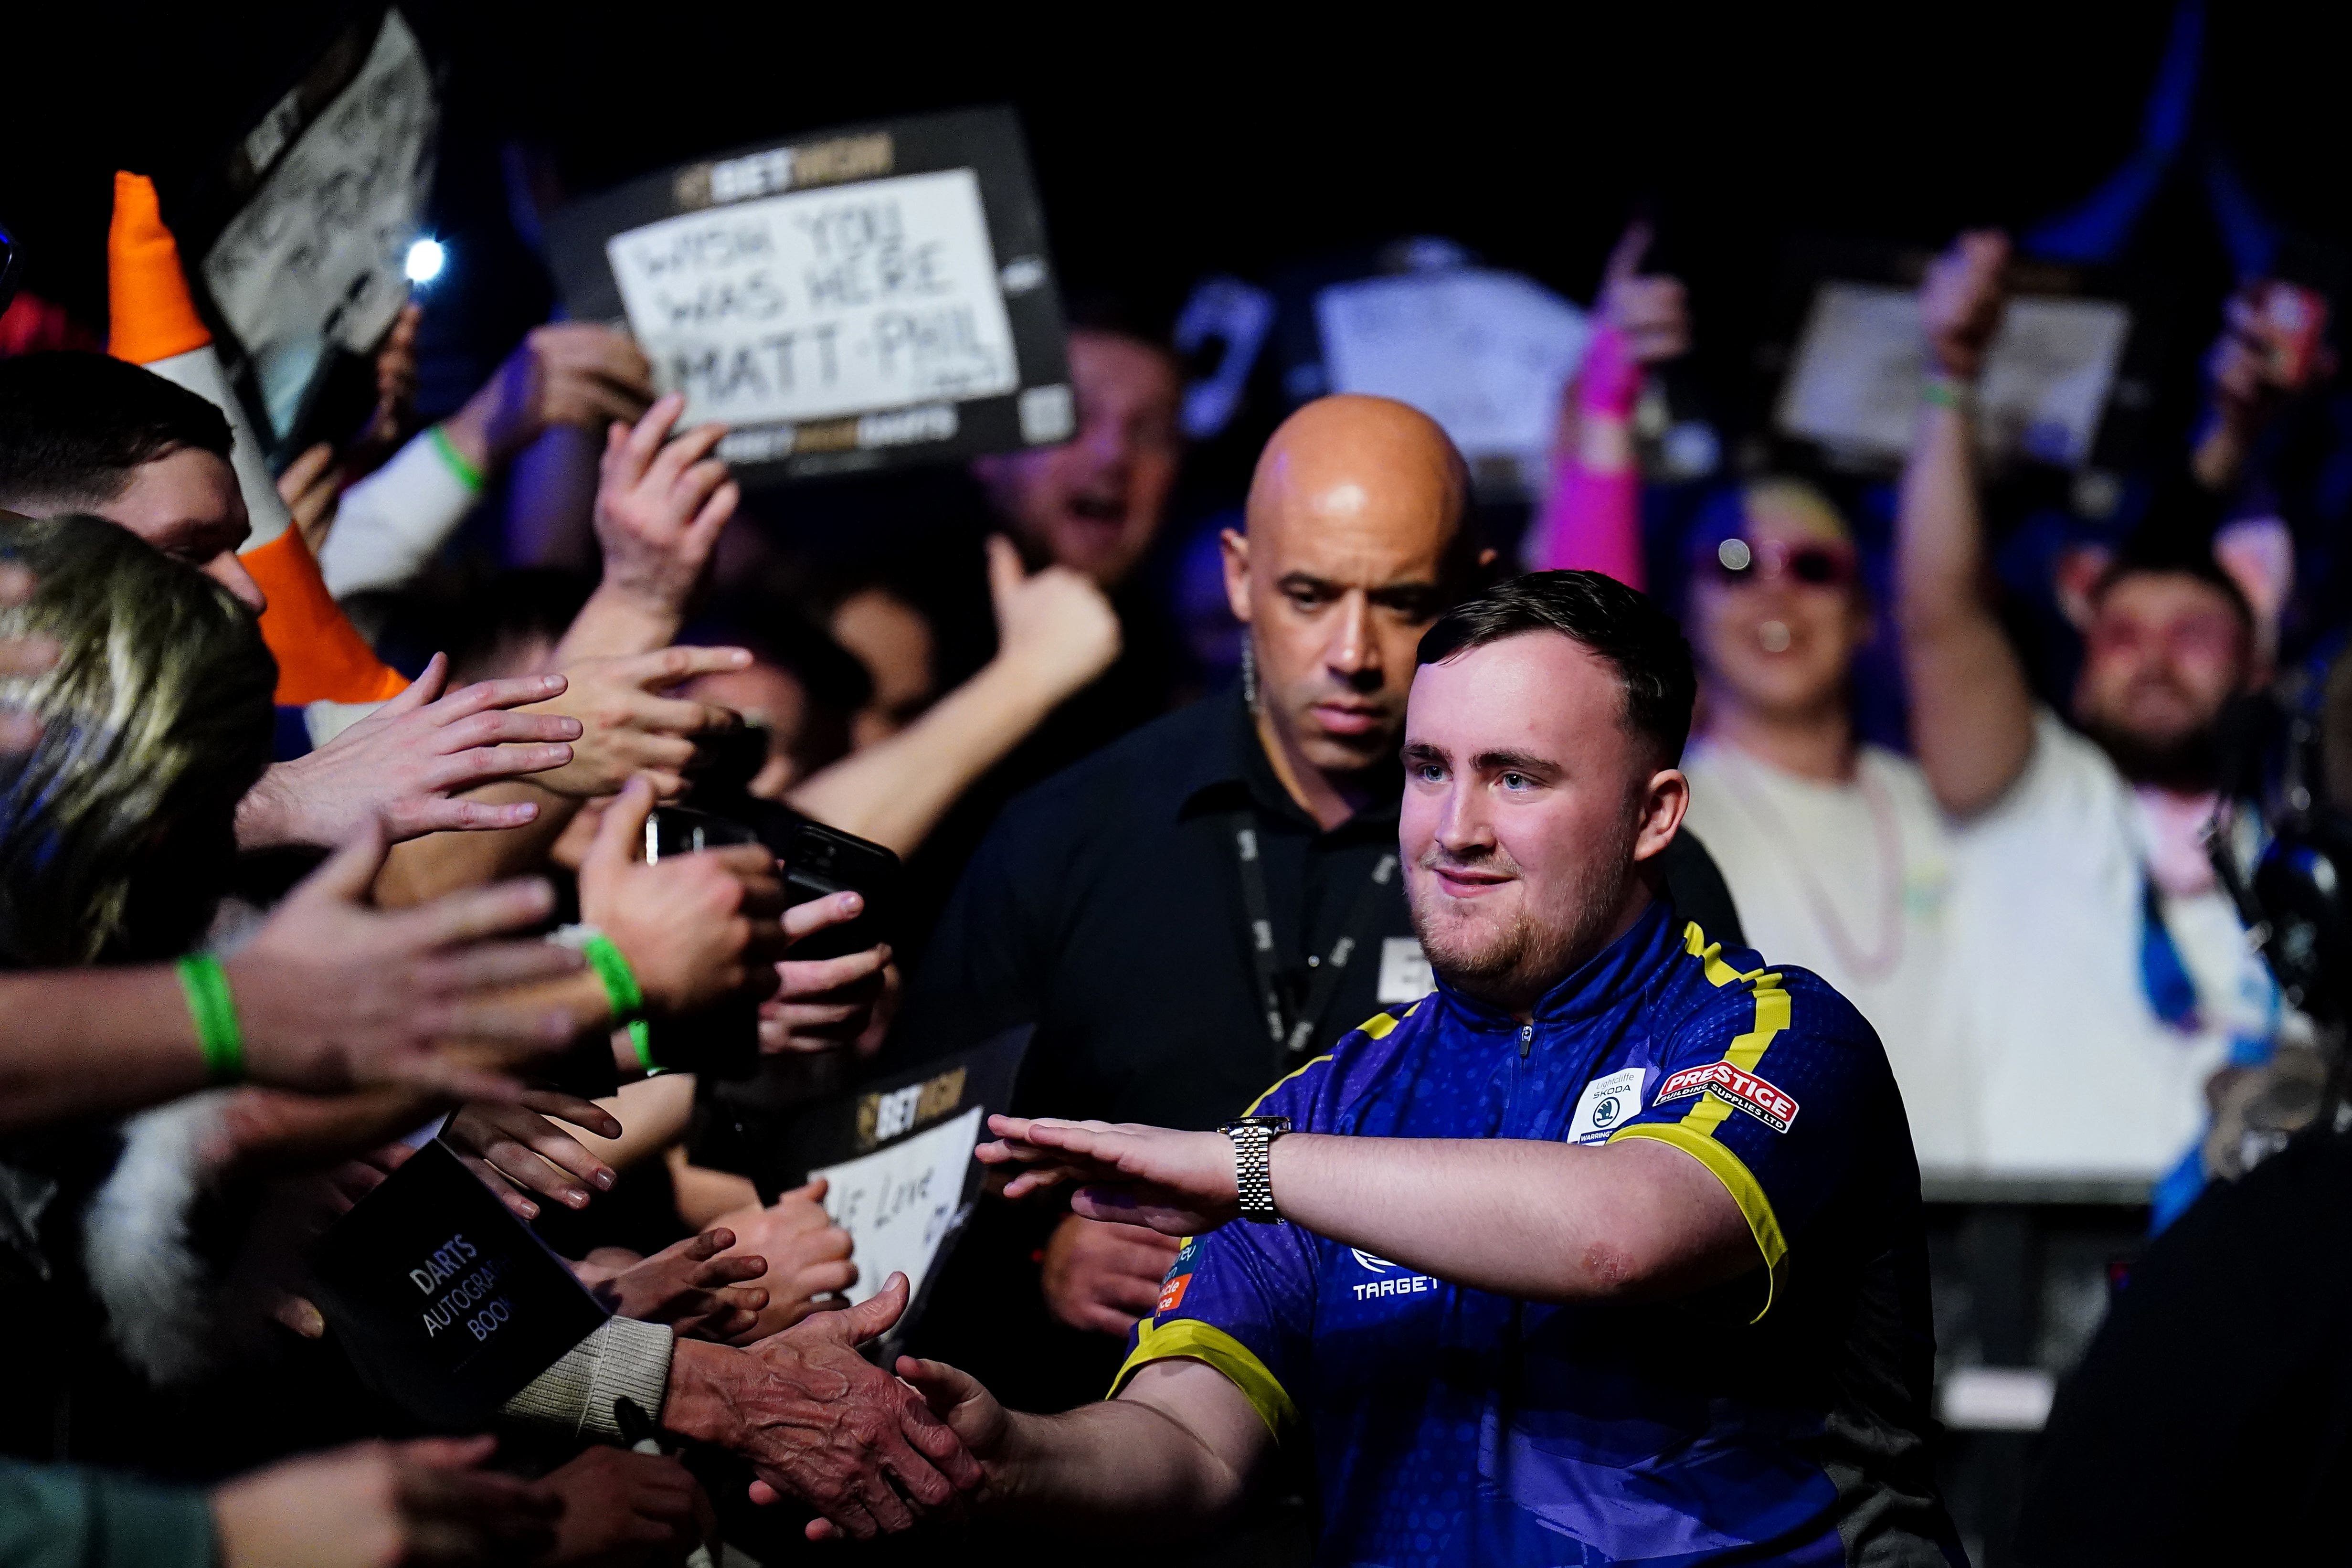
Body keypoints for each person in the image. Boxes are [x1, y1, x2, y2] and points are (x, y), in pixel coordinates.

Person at [894, 571, 1957, 1563]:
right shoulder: (1326, 1106)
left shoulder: (1778, 1033)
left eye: (1515, 777)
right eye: (1428, 770)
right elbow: (1191, 1443)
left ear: (1654, 814)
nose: (1455, 830)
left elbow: (1621, 1235)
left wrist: (1251, 1172)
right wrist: (1006, 1458)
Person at [896, 396, 1742, 1419]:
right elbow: (916, 1158)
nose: (1352, 650)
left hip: (1484, 1462)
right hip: (1137, 1463)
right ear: (1239, 576)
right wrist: (1039, 1258)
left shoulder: (1609, 860)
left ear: (1473, 588)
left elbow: (1684, 1211)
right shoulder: (1069, 834)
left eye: (1400, 600)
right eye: (1308, 593)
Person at [1528, 231, 1971, 1168]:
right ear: (1684, 611)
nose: (1773, 591)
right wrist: (1606, 408)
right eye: (1735, 563)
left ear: (1864, 615)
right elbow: (1579, 650)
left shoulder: (1944, 803)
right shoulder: (1668, 808)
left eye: (1811, 566)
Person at [1895, 230, 2281, 1184]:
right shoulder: (2029, 796)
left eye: (2192, 638)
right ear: (2076, 674)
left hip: (2251, 1296)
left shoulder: (2303, 853)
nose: (2152, 663)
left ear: (2256, 671)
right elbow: (1941, 612)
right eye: (2121, 638)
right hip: (2031, 1288)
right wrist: (1952, 379)